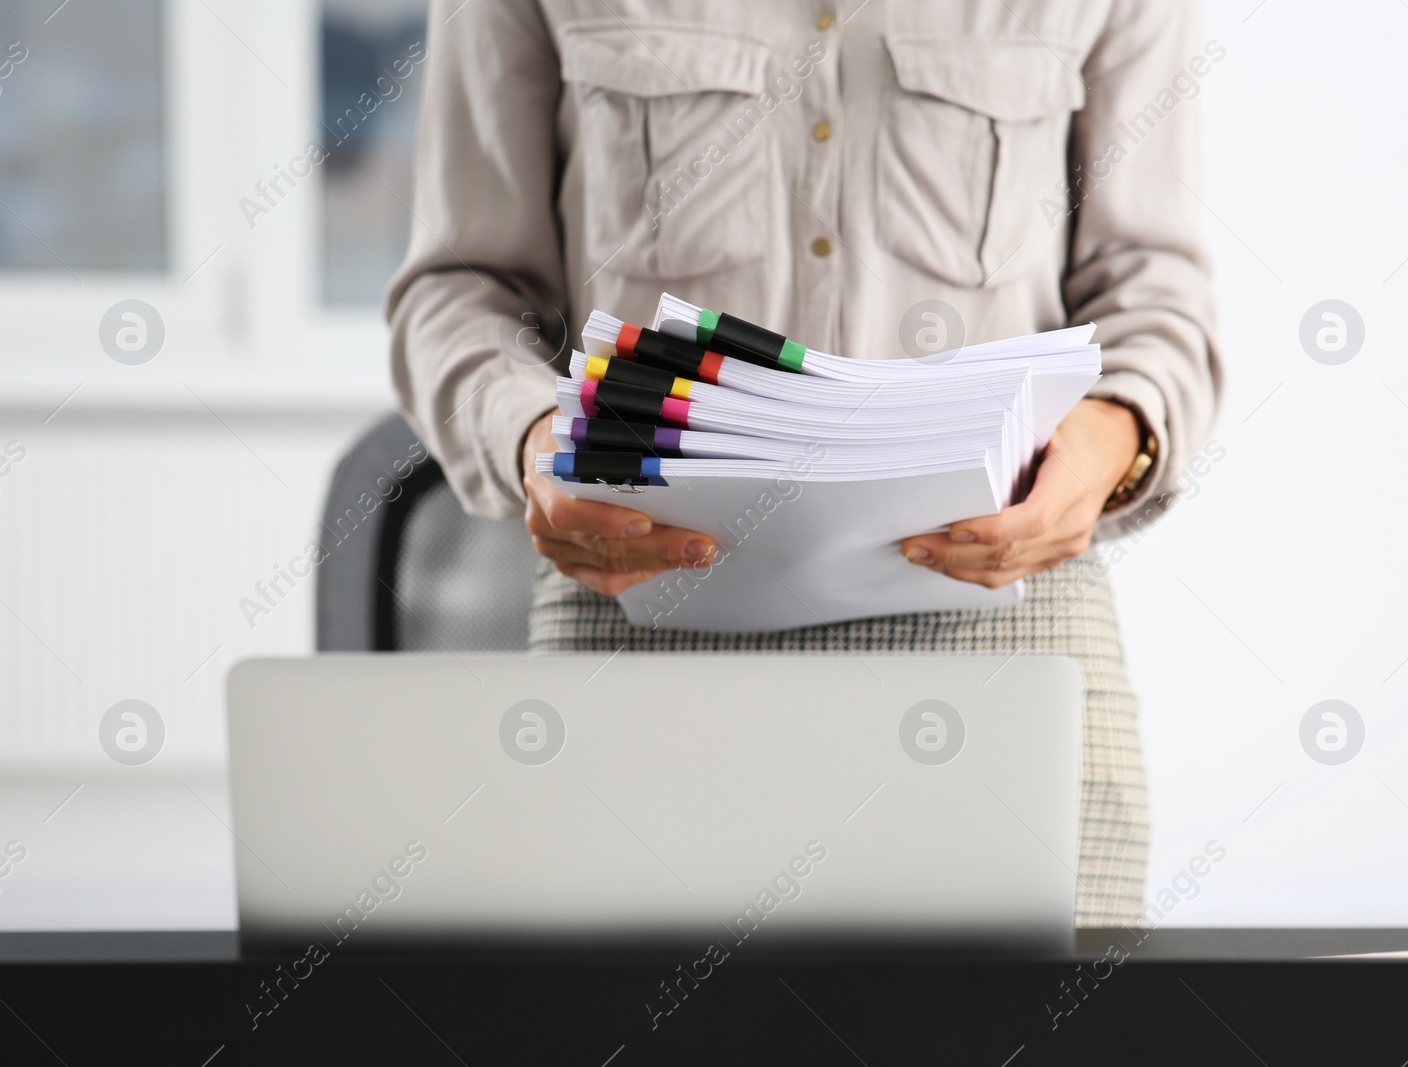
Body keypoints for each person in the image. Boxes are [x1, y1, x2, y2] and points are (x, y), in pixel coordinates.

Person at [387, 0, 1220, 925]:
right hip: (643, 631)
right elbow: (460, 288)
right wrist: (536, 439)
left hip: (1006, 644)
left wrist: (1118, 434)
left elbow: (1158, 292)